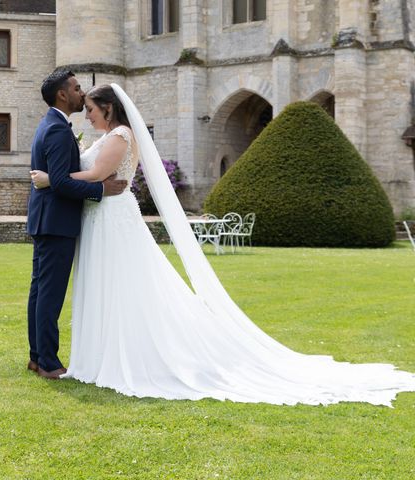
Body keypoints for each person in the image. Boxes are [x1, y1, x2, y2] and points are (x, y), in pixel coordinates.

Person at [29, 83, 415, 405]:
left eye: (93, 108)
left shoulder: (120, 135)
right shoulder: (106, 134)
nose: (89, 113)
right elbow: (95, 176)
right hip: (101, 216)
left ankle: (129, 353)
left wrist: (53, 177)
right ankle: (96, 354)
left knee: (125, 287)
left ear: (109, 109)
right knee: (103, 287)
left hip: (113, 219)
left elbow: (97, 173)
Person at [26, 70, 127, 380]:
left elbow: (53, 179)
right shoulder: (56, 130)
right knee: (49, 294)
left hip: (47, 220)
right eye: (76, 88)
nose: (82, 94)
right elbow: (59, 182)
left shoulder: (51, 125)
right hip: (56, 222)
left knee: (40, 291)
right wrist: (100, 190)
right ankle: (48, 362)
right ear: (62, 95)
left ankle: (37, 357)